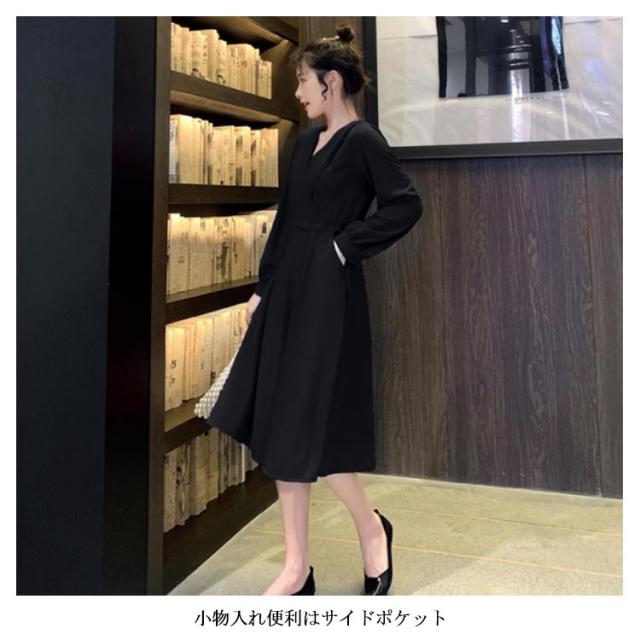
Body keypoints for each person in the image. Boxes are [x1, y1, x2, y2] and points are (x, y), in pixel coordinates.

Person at [204, 24, 423, 596]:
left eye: (303, 81)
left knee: (313, 425)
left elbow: (405, 205)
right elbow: (287, 220)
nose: (298, 93)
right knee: (284, 425)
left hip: (330, 293)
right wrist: (263, 286)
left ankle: (371, 528)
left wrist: (344, 246)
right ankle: (297, 568)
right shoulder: (305, 144)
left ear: (331, 82)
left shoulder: (364, 141)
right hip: (289, 291)